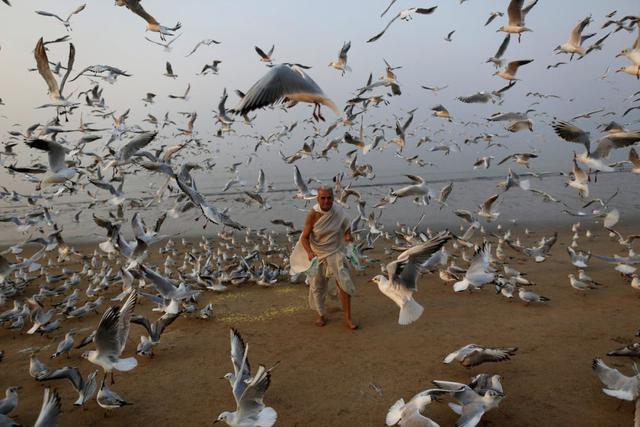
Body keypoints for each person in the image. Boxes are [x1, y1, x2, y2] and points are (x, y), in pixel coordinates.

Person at [300, 186, 357, 329]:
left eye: (329, 198)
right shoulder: (313, 214)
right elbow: (304, 238)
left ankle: (348, 318)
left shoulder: (338, 211)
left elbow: (346, 227)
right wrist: (309, 252)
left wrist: (347, 235)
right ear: (317, 199)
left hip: (335, 251)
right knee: (317, 286)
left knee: (344, 283)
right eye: (323, 198)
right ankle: (321, 315)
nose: (326, 201)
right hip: (318, 253)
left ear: (333, 198)